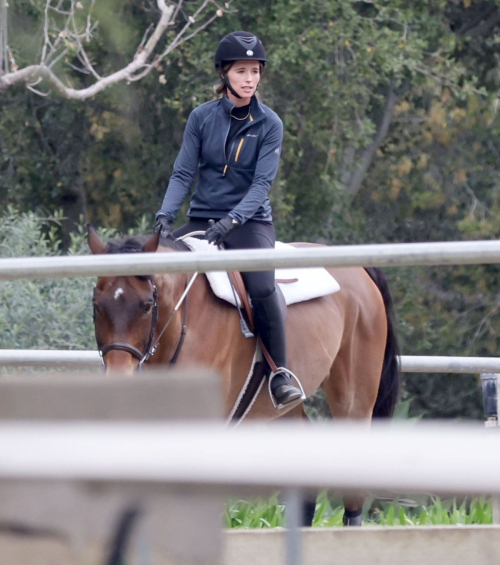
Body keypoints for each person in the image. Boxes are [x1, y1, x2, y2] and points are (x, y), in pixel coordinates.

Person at [155, 31, 302, 407]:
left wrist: (232, 222)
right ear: (224, 74)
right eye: (241, 71)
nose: (250, 78)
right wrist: (165, 215)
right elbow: (183, 174)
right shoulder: (201, 117)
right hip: (202, 219)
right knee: (153, 274)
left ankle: (280, 372)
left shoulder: (270, 124)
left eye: (255, 71)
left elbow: (261, 185)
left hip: (250, 223)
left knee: (262, 287)